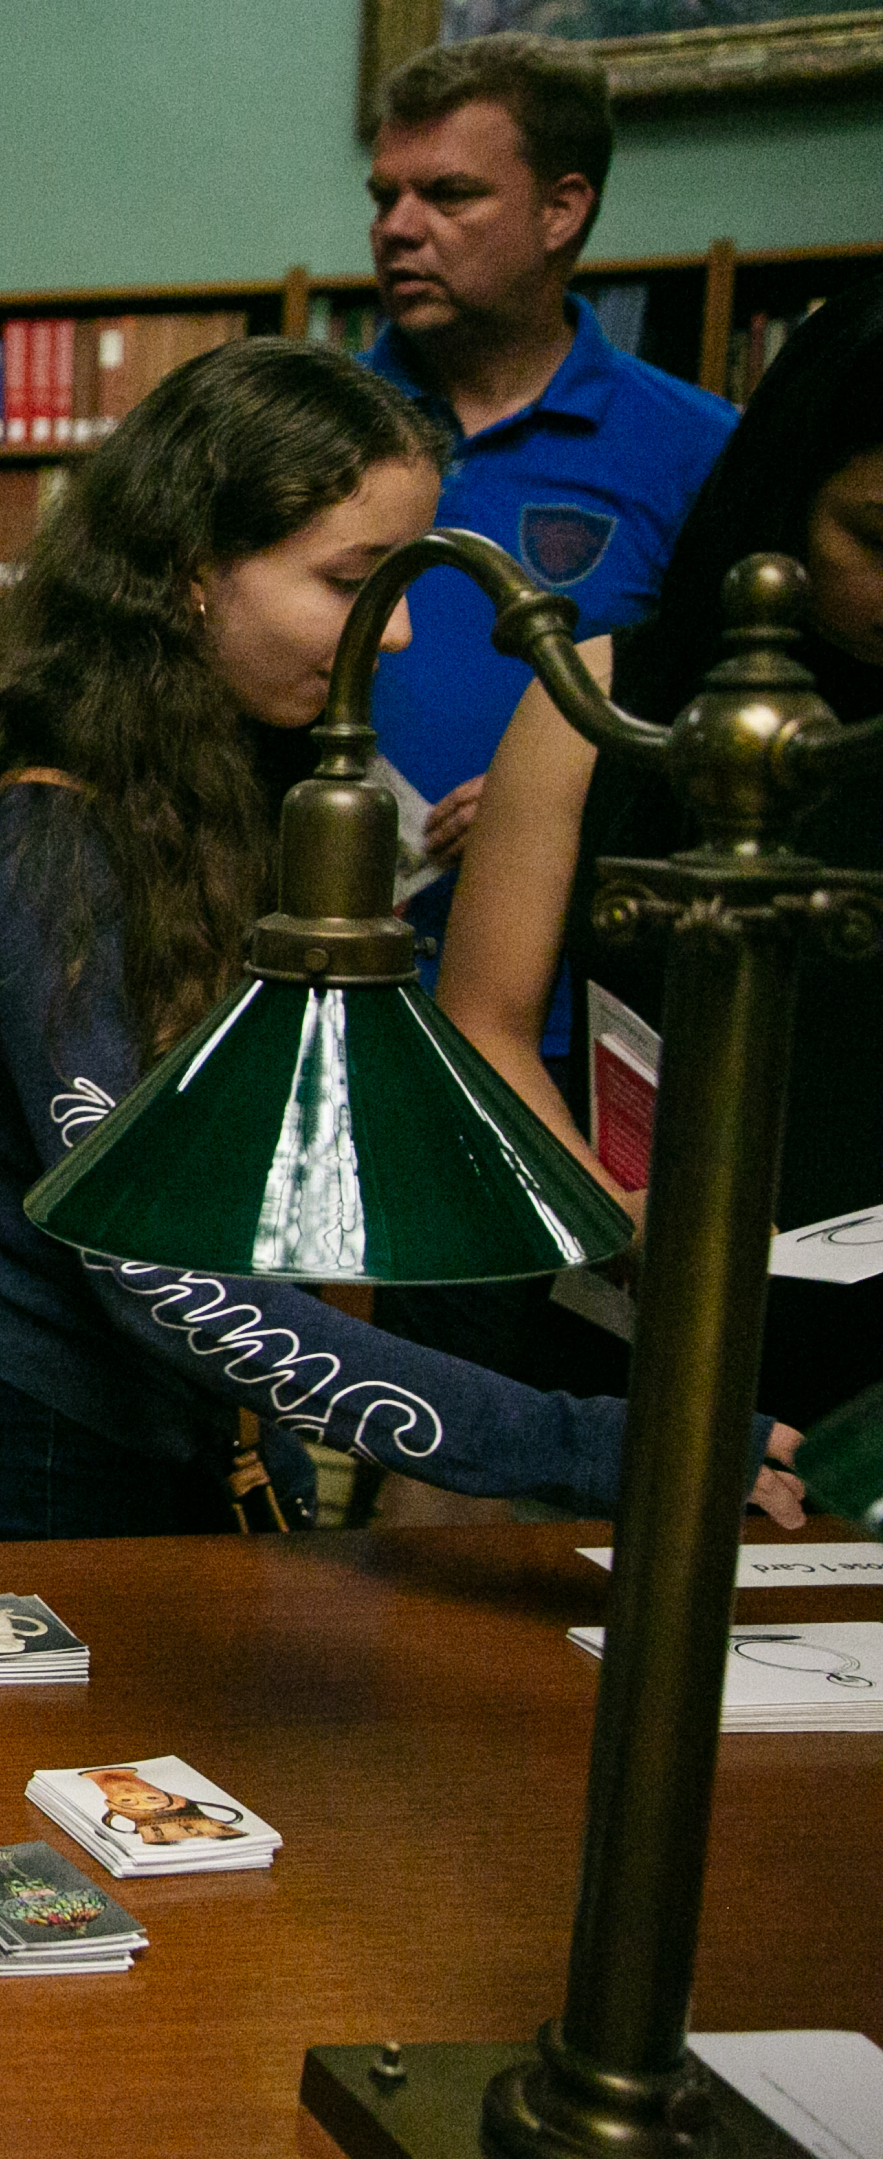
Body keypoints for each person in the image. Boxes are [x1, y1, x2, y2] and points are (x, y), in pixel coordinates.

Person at [0, 336, 801, 1541]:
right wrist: (589, 1440)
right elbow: (160, 1275)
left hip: (214, 1424)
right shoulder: (50, 836)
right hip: (51, 1437)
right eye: (351, 583)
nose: (390, 637)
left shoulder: (228, 784)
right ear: (190, 572)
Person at [435, 276, 883, 1432]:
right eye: (876, 539)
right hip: (632, 1307)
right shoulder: (603, 697)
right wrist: (624, 1232)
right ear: (788, 497)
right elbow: (484, 1018)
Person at [357, 35, 734, 886]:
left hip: (568, 967)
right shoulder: (306, 422)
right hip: (314, 949)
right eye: (385, 197)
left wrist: (565, 798)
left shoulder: (700, 448)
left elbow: (734, 721)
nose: (397, 229)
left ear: (560, 211)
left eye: (449, 195)